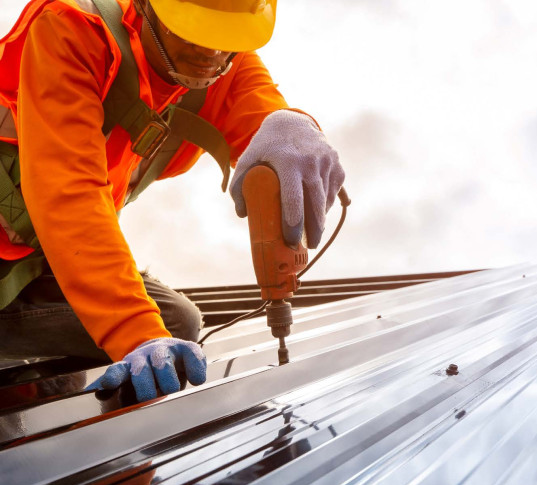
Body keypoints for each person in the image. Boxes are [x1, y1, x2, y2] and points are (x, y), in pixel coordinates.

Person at [0, 0, 345, 401]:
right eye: (192, 31)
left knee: (177, 322)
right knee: (139, 336)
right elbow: (69, 193)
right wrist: (134, 332)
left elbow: (261, 113)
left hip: (33, 265)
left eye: (224, 38)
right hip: (34, 243)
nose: (210, 53)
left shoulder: (222, 65)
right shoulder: (72, 29)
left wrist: (293, 126)